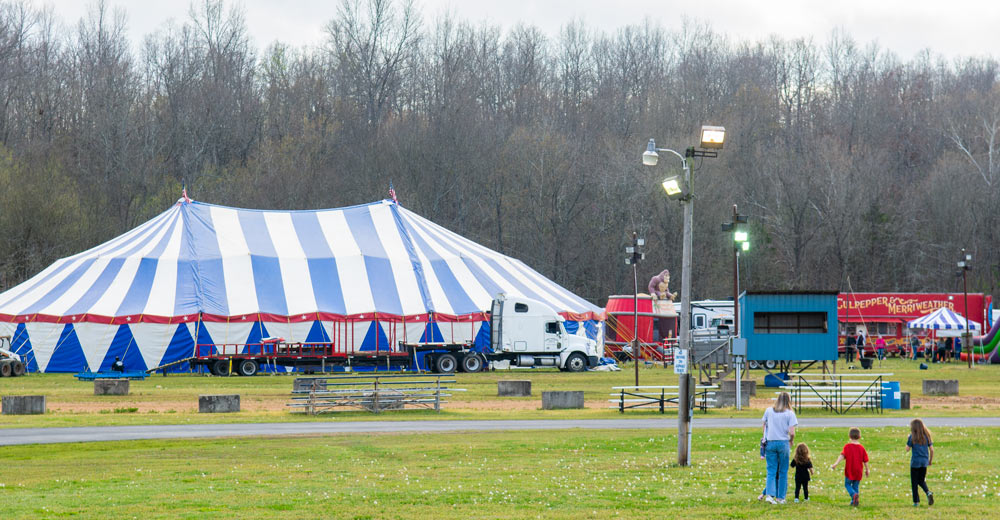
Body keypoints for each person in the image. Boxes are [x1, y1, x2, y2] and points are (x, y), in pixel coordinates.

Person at [761, 391, 798, 504]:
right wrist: (791, 440)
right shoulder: (789, 413)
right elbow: (792, 432)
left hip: (770, 442)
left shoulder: (769, 410)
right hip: (783, 442)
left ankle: (769, 495)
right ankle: (781, 497)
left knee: (771, 470)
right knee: (782, 471)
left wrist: (765, 437)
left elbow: (764, 425)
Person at [831, 427, 870, 507]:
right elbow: (865, 460)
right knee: (856, 486)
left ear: (849, 436)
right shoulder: (862, 448)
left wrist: (836, 463)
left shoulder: (847, 447)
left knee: (847, 484)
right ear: (859, 437)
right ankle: (854, 501)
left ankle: (853, 495)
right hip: (858, 471)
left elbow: (842, 456)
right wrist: (867, 469)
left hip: (850, 470)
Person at [906, 418, 934, 507]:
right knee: (921, 480)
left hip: (915, 463)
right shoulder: (927, 436)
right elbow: (932, 450)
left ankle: (916, 502)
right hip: (924, 461)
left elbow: (907, 449)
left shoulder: (912, 437)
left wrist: (908, 439)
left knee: (914, 482)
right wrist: (930, 460)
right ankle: (928, 492)